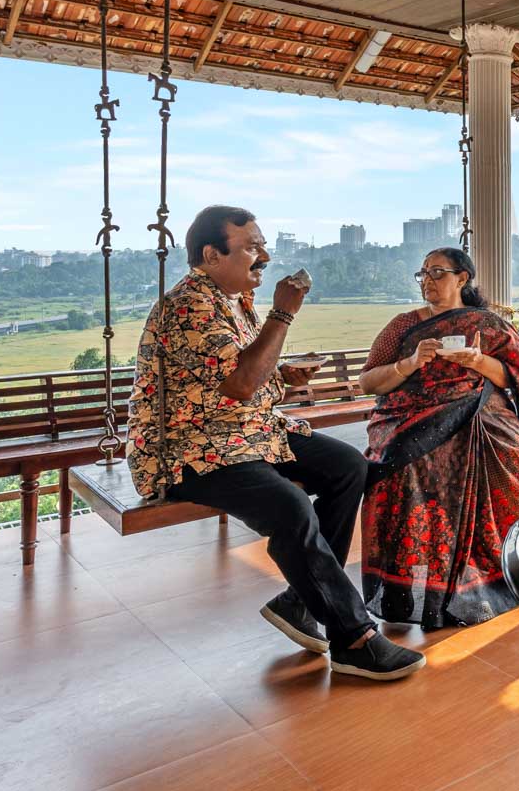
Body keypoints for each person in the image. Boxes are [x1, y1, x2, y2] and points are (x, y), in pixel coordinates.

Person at [125, 205, 424, 681]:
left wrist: (282, 374)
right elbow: (240, 385)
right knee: (290, 508)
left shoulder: (233, 299)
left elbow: (236, 375)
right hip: (192, 448)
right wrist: (284, 313)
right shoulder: (189, 305)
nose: (263, 257)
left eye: (263, 245)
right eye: (250, 247)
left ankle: (301, 602)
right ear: (210, 254)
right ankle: (353, 638)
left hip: (248, 432)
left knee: (349, 467)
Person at [357, 245, 519, 627]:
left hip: (483, 412)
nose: (427, 282)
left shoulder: (487, 325)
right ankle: (409, 587)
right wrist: (410, 362)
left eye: (437, 272)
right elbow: (369, 380)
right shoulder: (403, 325)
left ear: (462, 278)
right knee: (401, 461)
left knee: (512, 449)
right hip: (410, 416)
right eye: (423, 274)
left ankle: (502, 572)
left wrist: (477, 361)